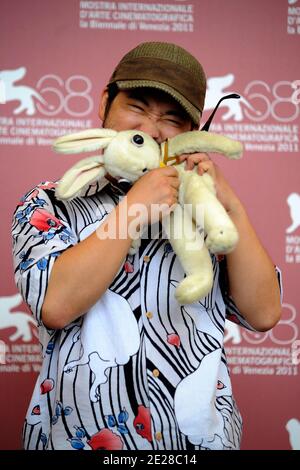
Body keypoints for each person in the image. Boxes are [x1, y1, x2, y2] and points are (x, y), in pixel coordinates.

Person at [12, 42, 282, 451]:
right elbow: (57, 304)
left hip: (198, 444)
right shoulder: (51, 202)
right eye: (137, 108)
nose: (152, 130)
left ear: (193, 135)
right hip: (77, 439)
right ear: (105, 104)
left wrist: (229, 206)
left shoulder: (206, 210)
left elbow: (264, 313)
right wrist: (135, 207)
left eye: (173, 119)